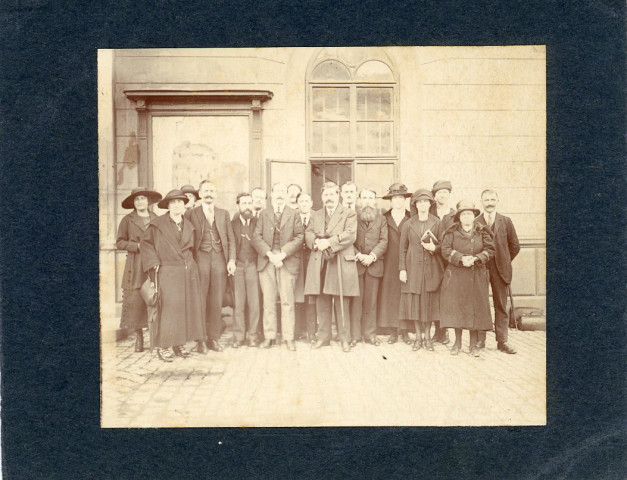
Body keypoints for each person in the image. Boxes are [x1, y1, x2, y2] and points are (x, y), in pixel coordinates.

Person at [140, 189, 206, 362]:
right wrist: (153, 263)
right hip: (167, 272)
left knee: (185, 309)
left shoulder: (189, 226)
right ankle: (164, 346)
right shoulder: (157, 224)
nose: (177, 206)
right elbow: (146, 245)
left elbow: (194, 249)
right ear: (168, 206)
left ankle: (179, 343)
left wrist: (193, 267)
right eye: (173, 202)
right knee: (168, 309)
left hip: (187, 272)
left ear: (184, 205)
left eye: (180, 202)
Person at [304, 181, 359, 353]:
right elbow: (308, 232)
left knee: (341, 301)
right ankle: (323, 337)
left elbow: (350, 235)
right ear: (321, 197)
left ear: (338, 195)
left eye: (332, 194)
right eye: (325, 195)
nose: (329, 198)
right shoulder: (316, 215)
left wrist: (328, 242)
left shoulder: (349, 213)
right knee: (322, 301)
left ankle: (345, 338)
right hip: (320, 261)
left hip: (339, 260)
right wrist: (315, 242)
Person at [185, 180, 236, 353]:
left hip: (220, 260)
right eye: (205, 191)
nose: (208, 194)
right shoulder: (192, 213)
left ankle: (213, 338)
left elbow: (230, 239)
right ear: (199, 194)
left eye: (211, 191)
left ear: (216, 194)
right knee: (199, 299)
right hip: (200, 260)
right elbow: (186, 239)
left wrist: (231, 260)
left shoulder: (223, 213)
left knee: (216, 300)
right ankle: (200, 340)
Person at [440, 200, 495, 357]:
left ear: (474, 216)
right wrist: (460, 258)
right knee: (457, 308)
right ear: (459, 217)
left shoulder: (482, 231)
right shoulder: (451, 232)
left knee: (474, 309)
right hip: (457, 275)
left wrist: (476, 258)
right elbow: (445, 249)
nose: (466, 217)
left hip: (476, 274)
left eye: (469, 214)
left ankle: (473, 345)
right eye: (463, 214)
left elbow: (490, 250)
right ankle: (457, 343)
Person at [252, 183, 304, 350]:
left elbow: (299, 236)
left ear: (287, 195)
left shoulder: (294, 213)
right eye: (277, 191)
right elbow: (256, 236)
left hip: (286, 261)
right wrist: (270, 254)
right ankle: (269, 336)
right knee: (268, 301)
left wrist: (282, 254)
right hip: (267, 261)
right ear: (272, 195)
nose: (280, 194)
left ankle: (289, 338)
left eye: (283, 191)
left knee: (287, 301)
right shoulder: (264, 214)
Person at [475, 189, 520, 354]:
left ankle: (502, 341)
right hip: (481, 268)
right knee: (481, 304)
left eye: (493, 199)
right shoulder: (475, 221)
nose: (489, 202)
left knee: (501, 305)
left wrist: (504, 260)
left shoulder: (506, 221)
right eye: (486, 199)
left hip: (501, 269)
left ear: (498, 201)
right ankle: (480, 340)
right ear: (481, 202)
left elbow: (515, 246)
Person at [117, 187, 161, 352]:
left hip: (153, 263)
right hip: (135, 264)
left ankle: (154, 337)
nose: (140, 202)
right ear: (133, 203)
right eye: (137, 199)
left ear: (148, 201)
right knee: (135, 300)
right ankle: (139, 337)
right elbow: (120, 242)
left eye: (143, 198)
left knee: (153, 298)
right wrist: (137, 246)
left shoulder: (156, 218)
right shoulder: (128, 220)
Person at [399, 189, 445, 351]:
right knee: (415, 305)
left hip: (431, 270)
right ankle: (418, 338)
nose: (422, 205)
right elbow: (402, 249)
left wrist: (434, 248)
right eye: (419, 202)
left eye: (425, 202)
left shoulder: (437, 222)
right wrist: (402, 269)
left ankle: (428, 339)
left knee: (429, 305)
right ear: (415, 205)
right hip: (413, 270)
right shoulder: (408, 224)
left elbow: (443, 247)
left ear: (430, 204)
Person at [350, 188, 388, 347]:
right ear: (359, 200)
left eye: (370, 198)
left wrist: (372, 256)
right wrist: (359, 255)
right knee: (356, 302)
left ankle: (370, 335)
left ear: (375, 201)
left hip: (374, 265)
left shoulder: (381, 219)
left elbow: (384, 241)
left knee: (371, 302)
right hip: (356, 265)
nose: (367, 201)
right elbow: (348, 240)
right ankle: (354, 335)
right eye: (364, 197)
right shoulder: (352, 217)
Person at [378, 183, 413, 344]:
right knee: (390, 295)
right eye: (395, 198)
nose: (398, 201)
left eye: (401, 197)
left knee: (405, 295)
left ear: (405, 200)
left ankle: (404, 331)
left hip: (407, 262)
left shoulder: (411, 217)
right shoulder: (384, 218)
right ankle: (392, 331)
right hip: (389, 262)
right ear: (390, 200)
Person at [230, 193, 261, 348]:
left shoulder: (258, 221)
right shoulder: (232, 222)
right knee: (239, 302)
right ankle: (238, 336)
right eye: (244, 203)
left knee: (254, 303)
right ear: (238, 205)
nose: (248, 206)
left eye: (250, 203)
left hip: (253, 266)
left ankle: (253, 335)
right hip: (238, 265)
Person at [429, 180, 456, 345]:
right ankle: (437, 331)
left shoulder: (454, 215)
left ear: (449, 195)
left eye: (445, 192)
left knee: (446, 297)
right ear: (434, 195)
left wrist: (438, 248)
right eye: (439, 193)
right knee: (433, 295)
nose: (442, 195)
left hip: (448, 261)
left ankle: (444, 331)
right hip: (431, 260)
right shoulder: (429, 212)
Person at [293, 192, 317, 343]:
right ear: (297, 203)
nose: (304, 203)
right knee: (297, 295)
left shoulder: (317, 216)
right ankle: (297, 331)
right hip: (296, 260)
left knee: (311, 296)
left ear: (312, 202)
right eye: (301, 201)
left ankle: (312, 332)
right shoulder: (292, 216)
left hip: (312, 260)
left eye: (307, 200)